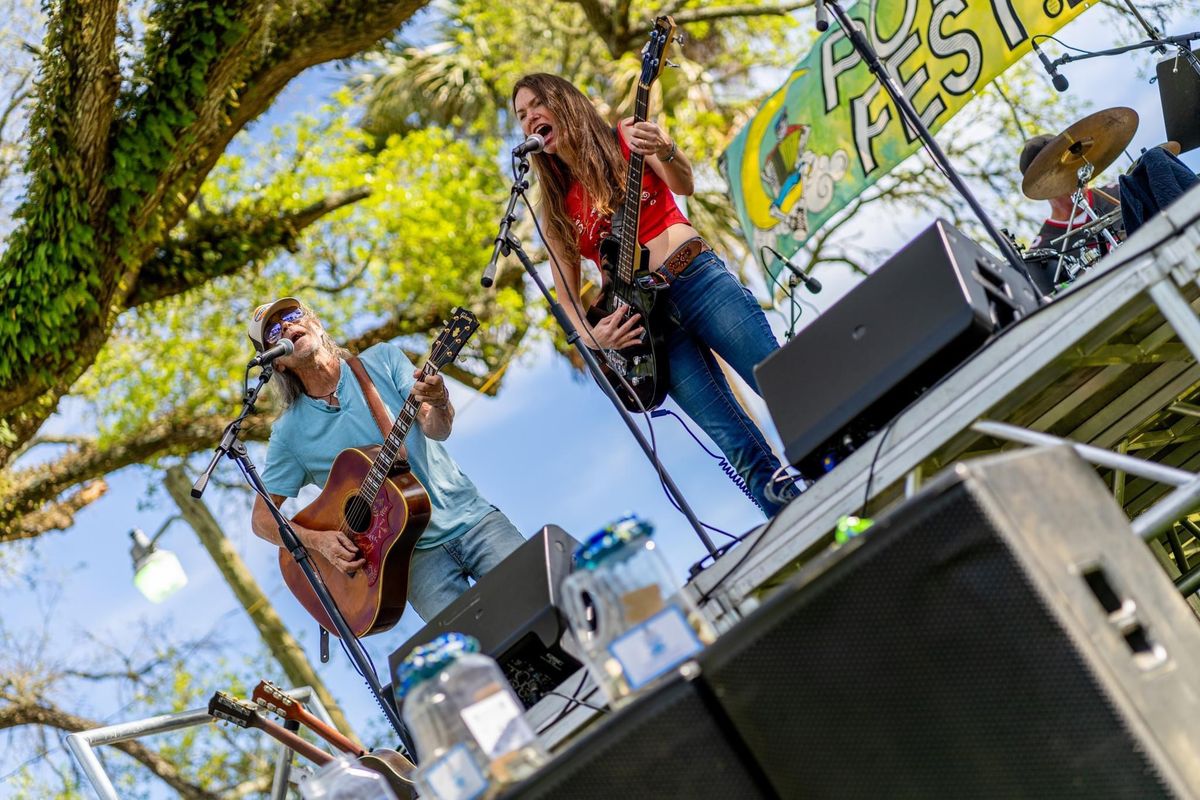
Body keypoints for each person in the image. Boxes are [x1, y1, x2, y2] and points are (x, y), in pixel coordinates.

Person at [511, 73, 796, 516]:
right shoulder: (556, 209)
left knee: (780, 380)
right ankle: (799, 525)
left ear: (563, 100)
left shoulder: (625, 135)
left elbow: (684, 185)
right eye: (520, 116)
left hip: (697, 279)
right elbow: (566, 299)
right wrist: (594, 337)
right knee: (735, 443)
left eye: (535, 106)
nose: (529, 119)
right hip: (648, 329)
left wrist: (664, 147)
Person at [247, 297, 524, 621]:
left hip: (471, 518)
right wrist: (318, 541)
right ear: (277, 362)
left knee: (542, 595)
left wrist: (440, 400)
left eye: (293, 316)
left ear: (317, 325)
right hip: (412, 562)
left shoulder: (382, 359)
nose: (289, 327)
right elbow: (261, 520)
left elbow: (436, 427)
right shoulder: (289, 432)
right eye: (275, 331)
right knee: (478, 655)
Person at [1019, 134, 1121, 292]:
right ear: (1040, 186)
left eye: (1071, 161)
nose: (1072, 171)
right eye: (1058, 170)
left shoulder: (1119, 193)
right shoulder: (1041, 256)